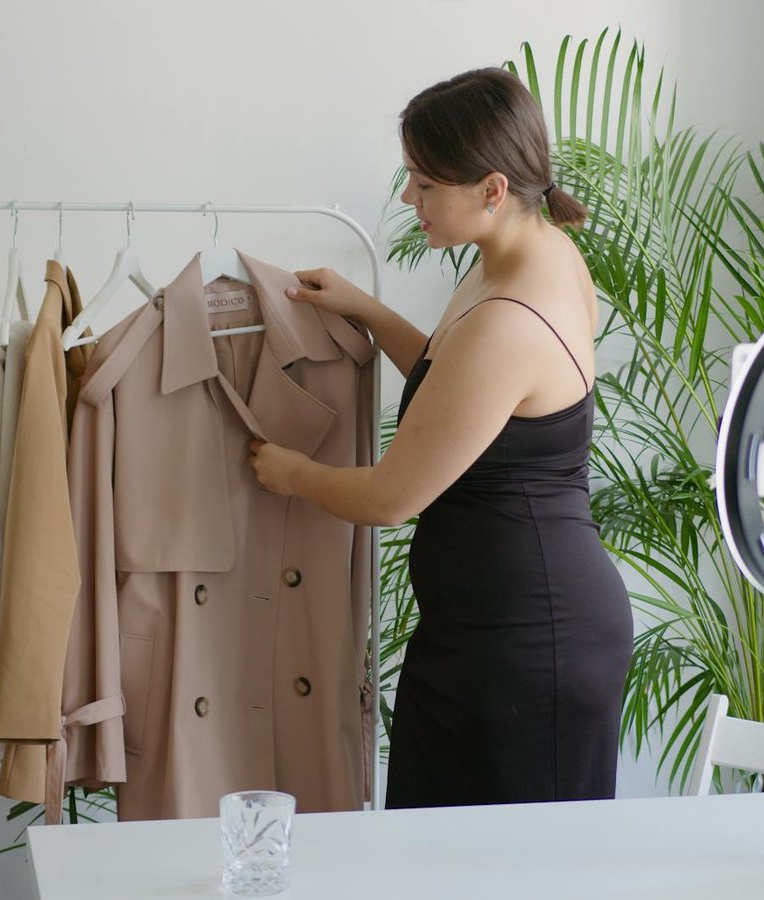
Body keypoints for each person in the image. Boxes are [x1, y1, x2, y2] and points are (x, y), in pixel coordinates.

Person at [248, 67, 633, 808]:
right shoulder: (527, 253)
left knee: (501, 863)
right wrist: (367, 311)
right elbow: (458, 389)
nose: (407, 200)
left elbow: (391, 498)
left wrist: (293, 474)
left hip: (528, 647)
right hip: (484, 635)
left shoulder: (511, 316)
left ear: (492, 189)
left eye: (424, 185)